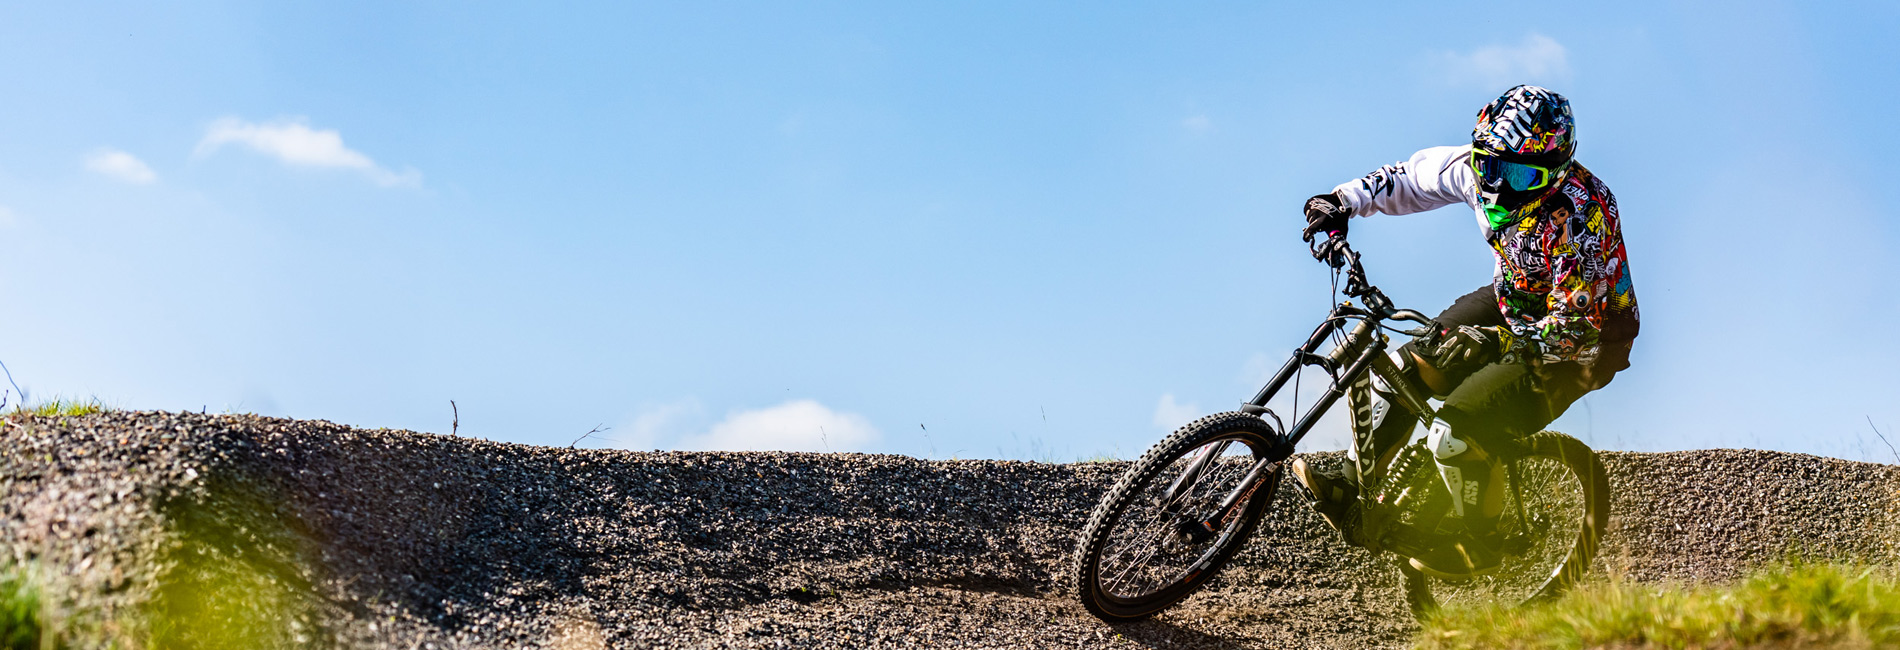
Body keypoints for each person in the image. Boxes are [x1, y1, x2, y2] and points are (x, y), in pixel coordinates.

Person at [1288, 85, 1639, 578]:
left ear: (1555, 170)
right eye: (1491, 165)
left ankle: (1485, 541)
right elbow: (1409, 180)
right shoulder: (1483, 166)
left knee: (1456, 429)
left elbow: (1575, 330)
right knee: (1402, 371)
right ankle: (1351, 484)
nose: (1500, 184)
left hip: (1585, 342)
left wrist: (1496, 343)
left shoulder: (1580, 216)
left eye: (1520, 174)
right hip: (1513, 299)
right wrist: (1341, 201)